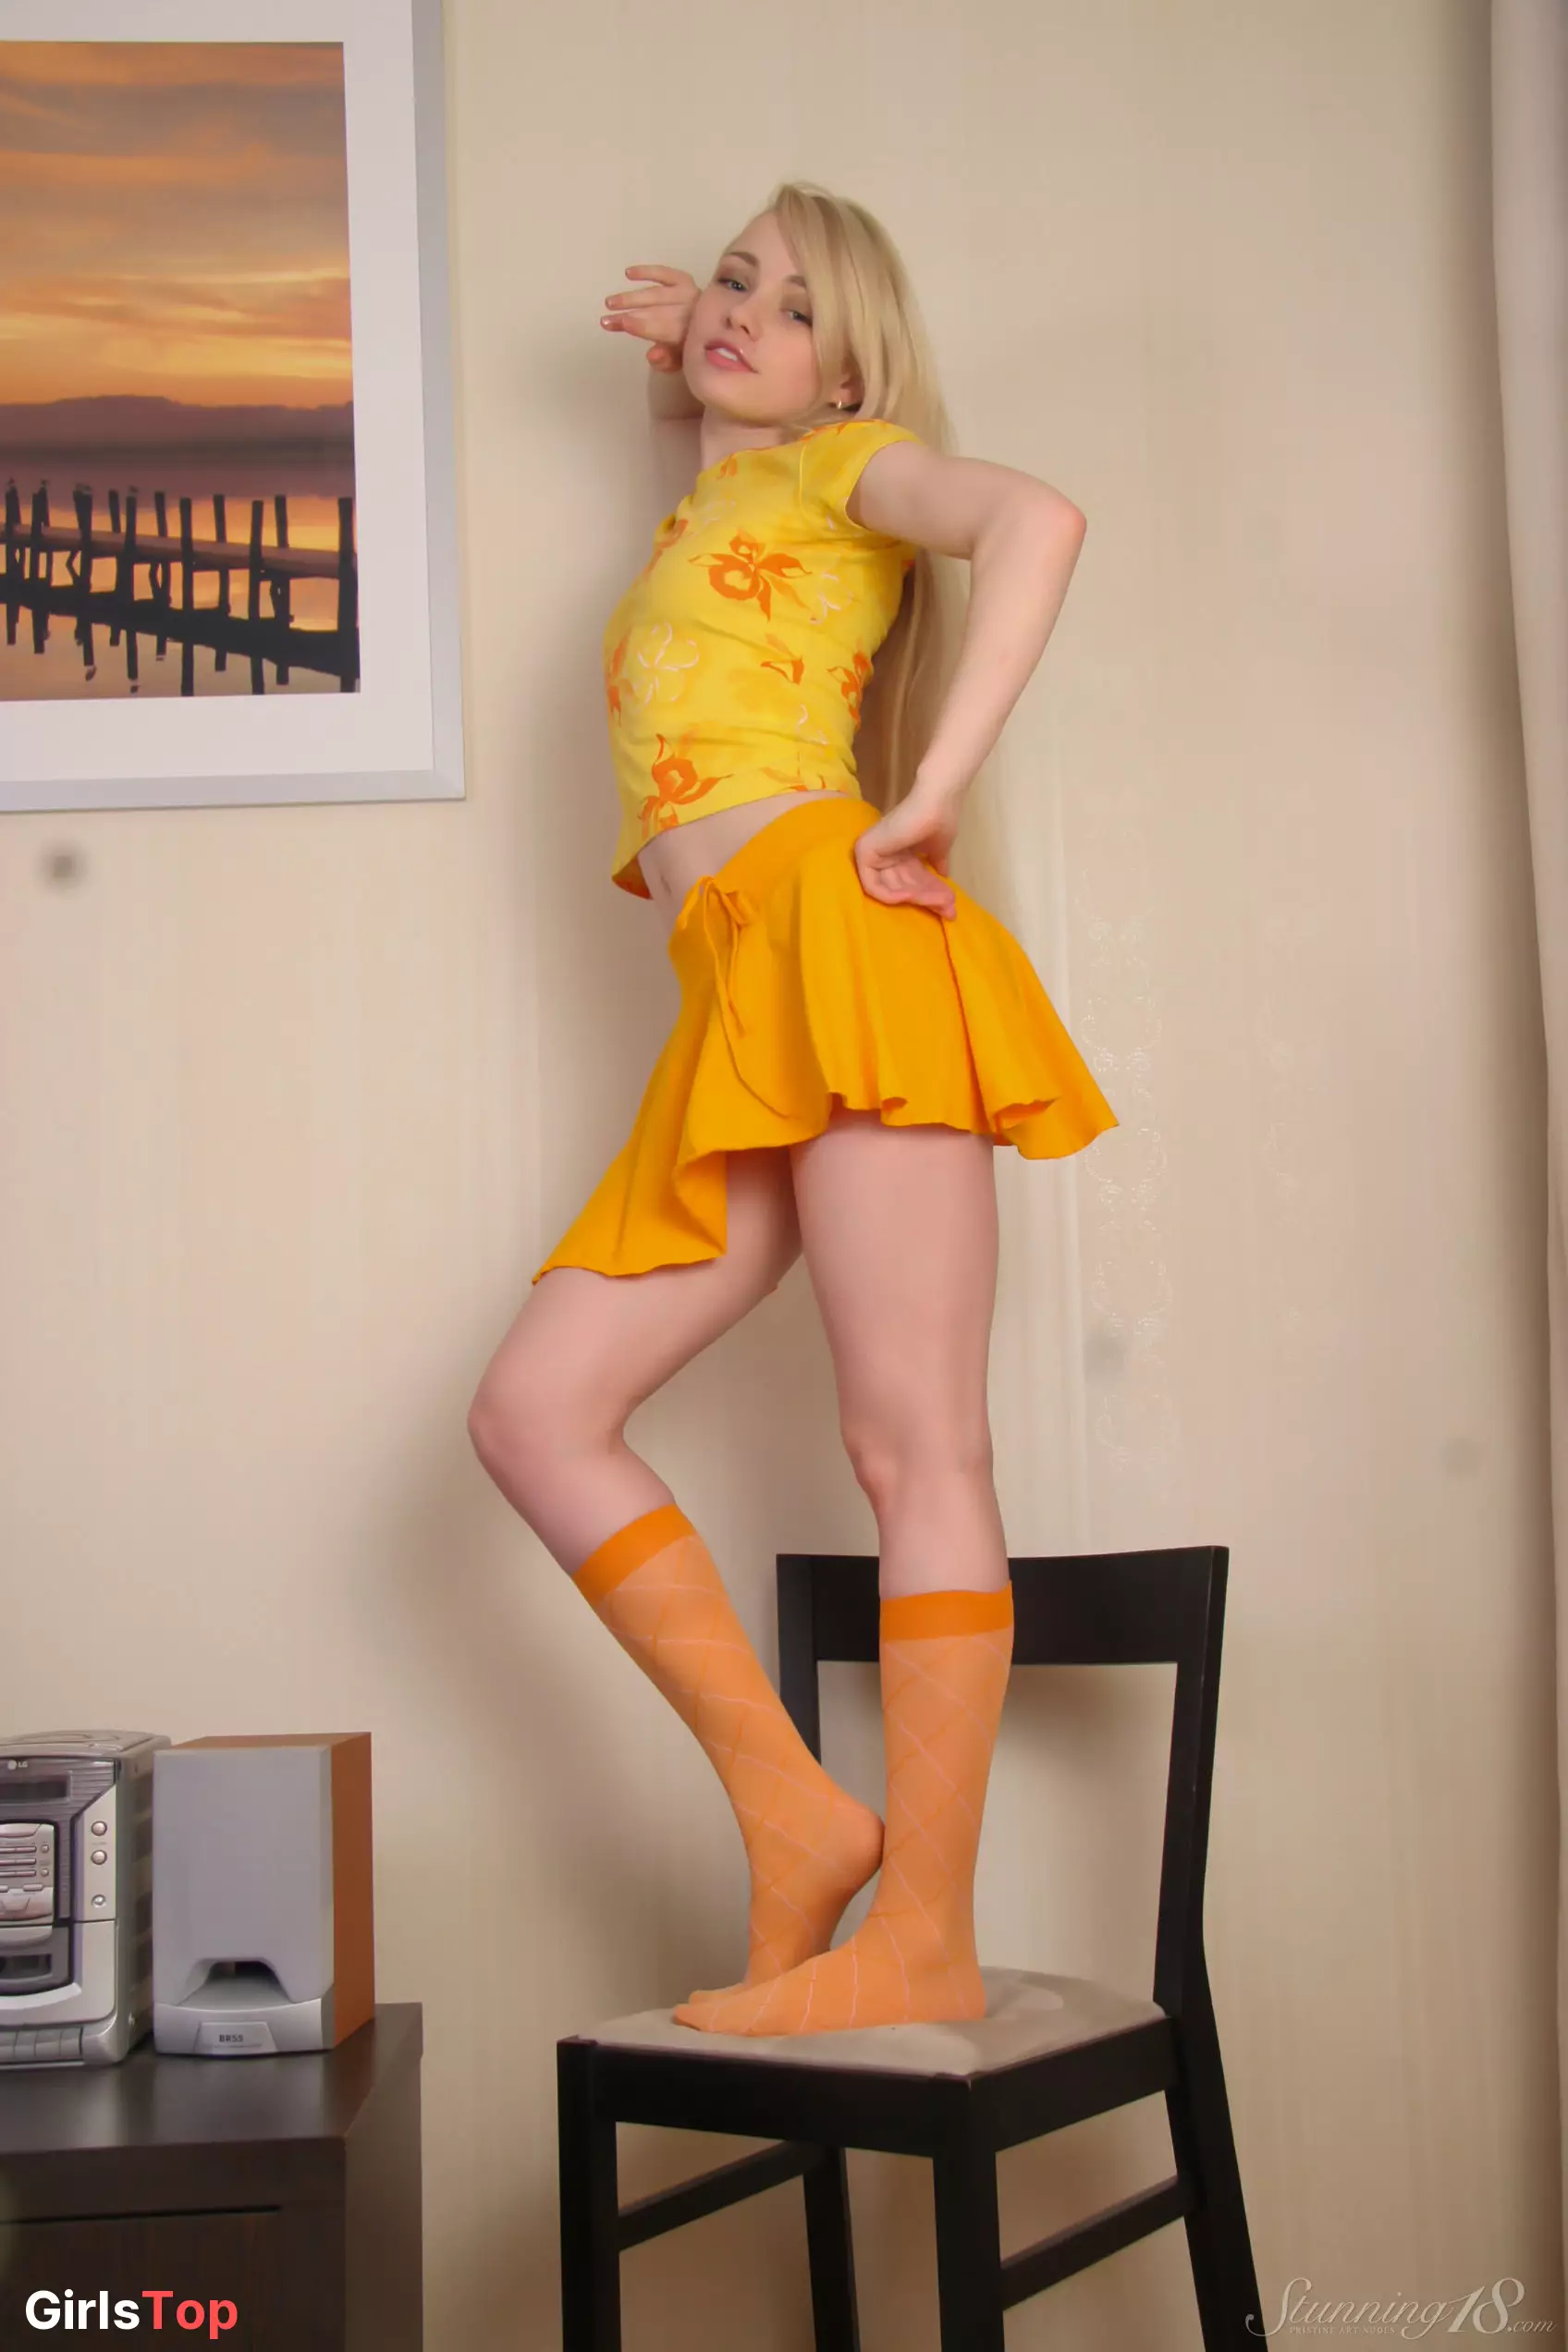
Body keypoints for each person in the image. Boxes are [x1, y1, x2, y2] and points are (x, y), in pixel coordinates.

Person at [467, 180, 1116, 2037]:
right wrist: (688, 350)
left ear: (852, 364)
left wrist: (934, 790)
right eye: (735, 279)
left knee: (914, 1448)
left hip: (840, 940)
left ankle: (925, 1927)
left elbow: (1037, 517)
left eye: (794, 300)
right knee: (534, 1415)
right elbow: (697, 437)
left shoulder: (848, 460)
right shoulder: (720, 490)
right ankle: (792, 1811)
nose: (746, 308)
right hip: (739, 993)